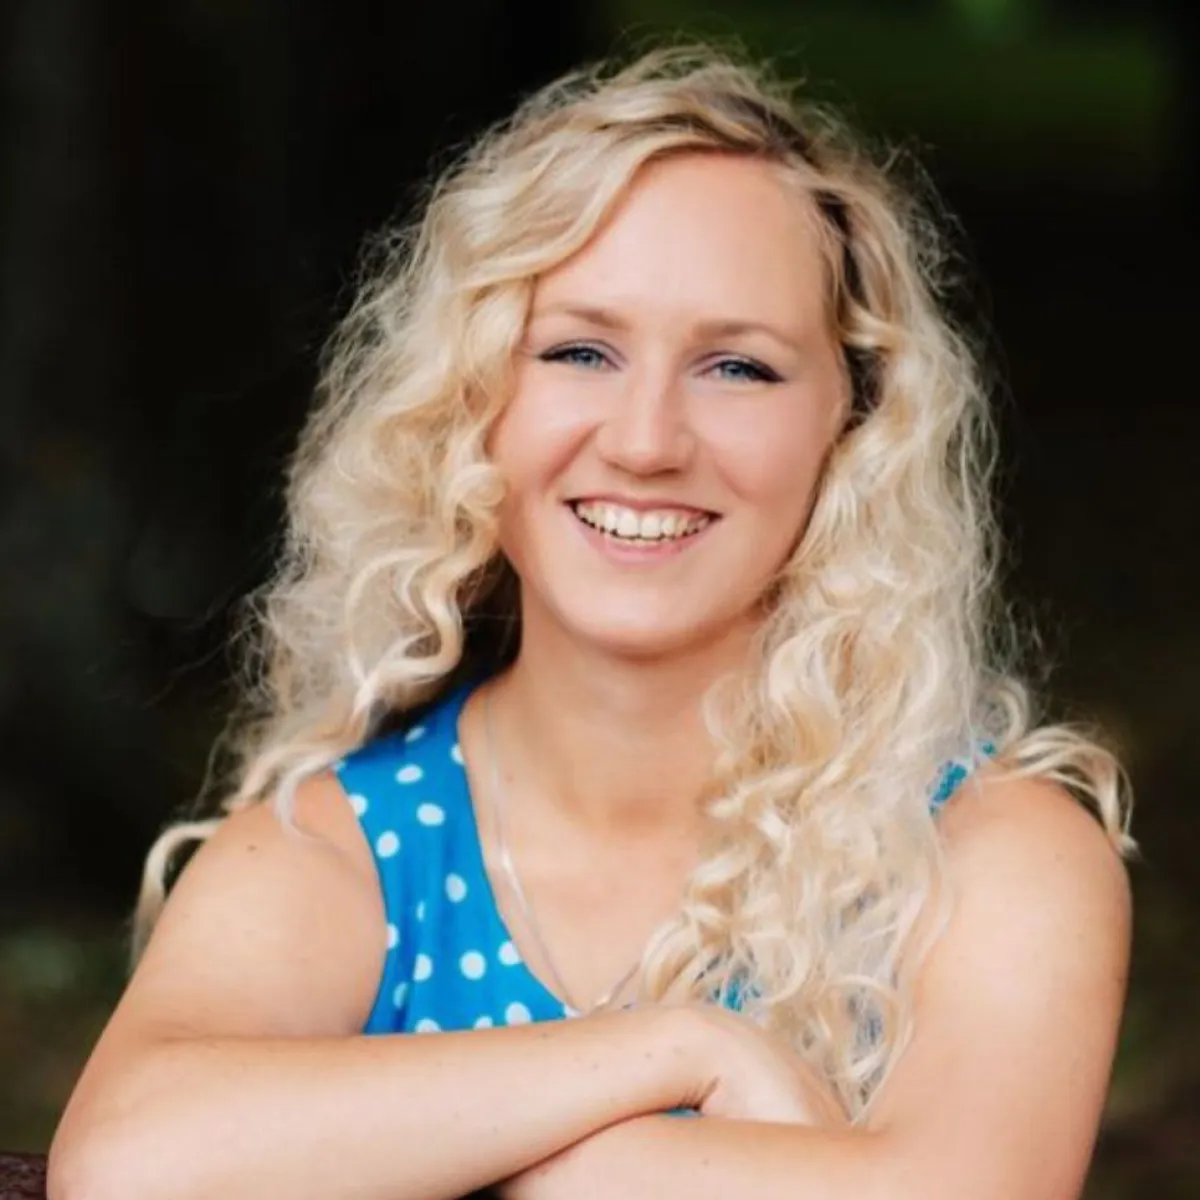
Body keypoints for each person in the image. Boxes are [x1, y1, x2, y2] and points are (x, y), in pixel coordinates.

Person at [48, 43, 1135, 1200]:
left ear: (851, 425)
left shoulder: (990, 855)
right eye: (579, 351)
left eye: (738, 367)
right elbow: (127, 1163)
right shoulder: (348, 845)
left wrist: (432, 1156)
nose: (646, 440)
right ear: (471, 399)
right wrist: (680, 1052)